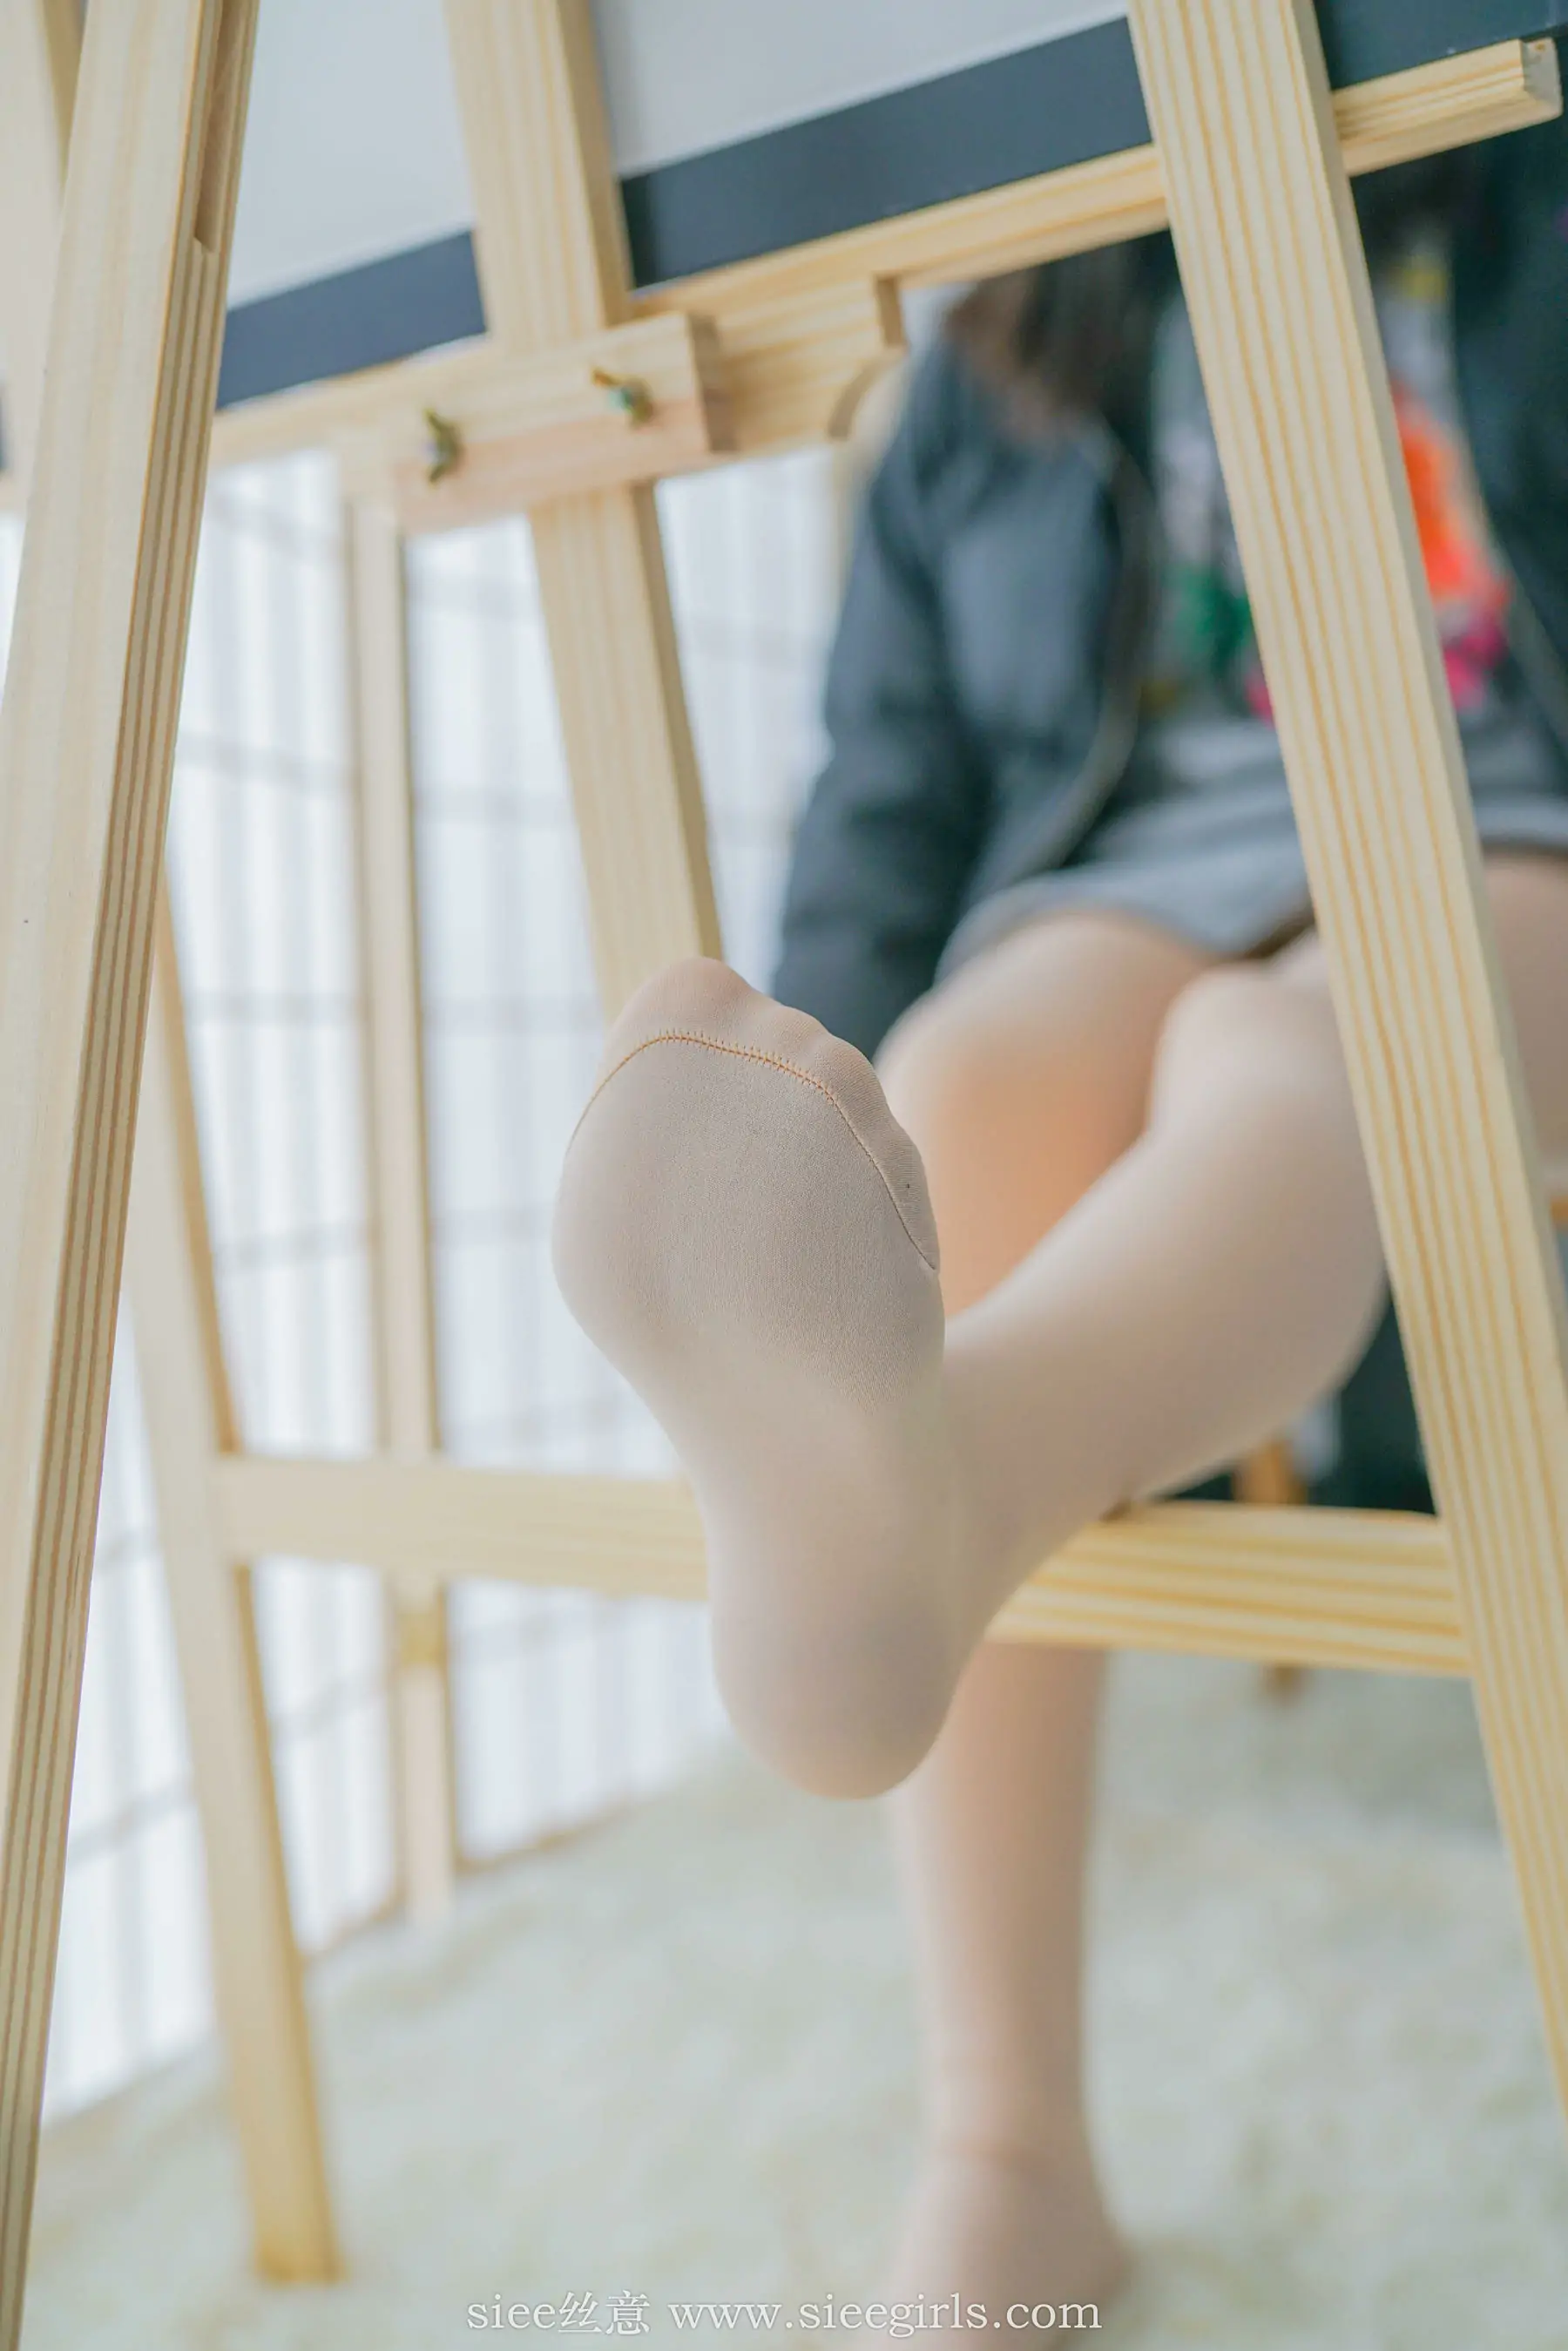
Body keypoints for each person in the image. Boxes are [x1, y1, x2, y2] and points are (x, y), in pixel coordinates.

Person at [553, 100, 1568, 2332]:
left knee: (1299, 1054)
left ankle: (934, 1508)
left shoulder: (1528, 153)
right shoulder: (1017, 281)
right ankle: (1006, 2141)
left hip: (1514, 836)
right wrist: (803, 1112)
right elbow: (897, 777)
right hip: (1129, 855)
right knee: (970, 1082)